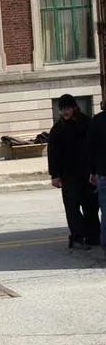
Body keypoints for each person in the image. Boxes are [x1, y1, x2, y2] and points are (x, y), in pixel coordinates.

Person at [48, 94, 100, 250]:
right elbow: (53, 153)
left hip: (87, 173)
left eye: (68, 108)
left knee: (90, 206)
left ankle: (93, 236)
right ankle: (77, 236)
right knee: (72, 207)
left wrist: (95, 171)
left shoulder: (86, 124)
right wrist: (55, 175)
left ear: (75, 108)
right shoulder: (58, 129)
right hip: (68, 175)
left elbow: (94, 148)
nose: (65, 112)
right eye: (63, 109)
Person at [89, 101, 106, 256]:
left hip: (103, 173)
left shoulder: (97, 121)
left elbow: (91, 149)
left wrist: (92, 172)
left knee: (105, 211)